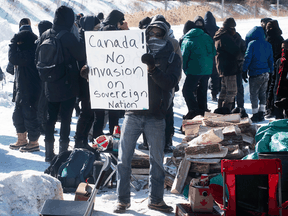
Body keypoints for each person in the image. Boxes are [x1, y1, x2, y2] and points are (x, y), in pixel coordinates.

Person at [114, 20, 181, 213]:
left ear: (166, 34)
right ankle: (122, 200)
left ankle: (156, 199)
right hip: (132, 113)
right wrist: (93, 78)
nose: (154, 36)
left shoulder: (172, 57)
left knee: (157, 162)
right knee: (123, 159)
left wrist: (153, 69)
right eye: (151, 32)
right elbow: (114, 70)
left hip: (156, 115)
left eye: (158, 33)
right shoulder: (133, 51)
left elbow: (170, 83)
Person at [36, 6, 85, 162]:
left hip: (49, 84)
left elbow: (36, 58)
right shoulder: (69, 37)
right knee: (65, 118)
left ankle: (48, 154)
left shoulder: (45, 34)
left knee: (50, 118)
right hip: (67, 84)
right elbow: (81, 55)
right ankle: (63, 154)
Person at [8, 20, 41, 152]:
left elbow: (12, 59)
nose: (18, 44)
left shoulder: (30, 53)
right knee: (18, 115)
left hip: (30, 89)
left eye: (20, 42)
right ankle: (22, 139)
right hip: (21, 88)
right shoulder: (26, 51)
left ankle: (34, 142)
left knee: (30, 115)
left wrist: (12, 42)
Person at [181, 19, 216, 119]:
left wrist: (186, 70)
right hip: (207, 70)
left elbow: (184, 57)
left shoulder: (188, 39)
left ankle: (194, 111)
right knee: (202, 90)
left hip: (194, 70)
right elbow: (213, 52)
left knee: (187, 91)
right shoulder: (207, 36)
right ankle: (203, 109)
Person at [242, 26, 274, 122]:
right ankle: (262, 113)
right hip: (266, 73)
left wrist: (244, 70)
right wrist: (271, 71)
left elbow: (247, 58)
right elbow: (271, 60)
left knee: (254, 95)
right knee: (263, 94)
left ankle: (255, 114)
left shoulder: (252, 44)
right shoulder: (268, 44)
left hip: (255, 74)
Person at [214, 17, 240, 111]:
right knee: (232, 91)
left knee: (224, 90)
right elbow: (236, 51)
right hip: (229, 67)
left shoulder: (219, 35)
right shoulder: (226, 37)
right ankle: (225, 111)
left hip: (222, 67)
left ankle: (220, 109)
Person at [36, 20, 53, 135]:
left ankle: (43, 124)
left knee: (43, 102)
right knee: (42, 102)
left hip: (38, 76)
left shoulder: (39, 41)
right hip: (44, 76)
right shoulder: (44, 42)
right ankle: (42, 125)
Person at [265, 19, 284, 118]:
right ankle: (275, 108)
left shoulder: (268, 38)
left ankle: (270, 109)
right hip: (278, 65)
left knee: (270, 88)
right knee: (276, 87)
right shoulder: (280, 38)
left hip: (270, 65)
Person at [269, 40, 288, 118]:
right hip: (278, 95)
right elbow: (274, 80)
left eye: (286, 48)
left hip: (286, 97)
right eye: (283, 48)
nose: (284, 50)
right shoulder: (279, 62)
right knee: (279, 122)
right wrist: (270, 96)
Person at [204, 11, 220, 102]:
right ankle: (214, 94)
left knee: (204, 78)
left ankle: (203, 95)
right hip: (215, 57)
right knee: (215, 77)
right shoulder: (217, 29)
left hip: (205, 58)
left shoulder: (203, 30)